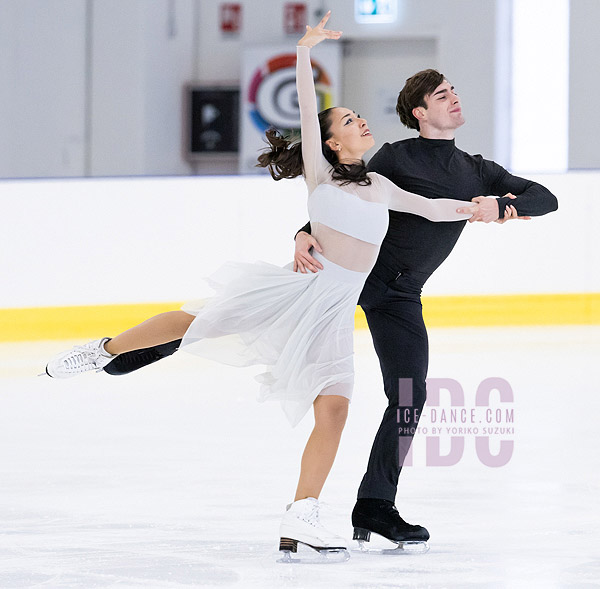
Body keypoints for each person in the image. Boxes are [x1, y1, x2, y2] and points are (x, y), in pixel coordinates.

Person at [44, 13, 475, 556]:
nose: (362, 122)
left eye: (361, 116)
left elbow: (431, 207)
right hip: (298, 296)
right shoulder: (321, 174)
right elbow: (303, 105)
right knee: (196, 321)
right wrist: (303, 49)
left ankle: (303, 516)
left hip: (336, 313)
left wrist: (484, 207)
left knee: (335, 410)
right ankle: (100, 349)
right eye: (350, 119)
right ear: (332, 140)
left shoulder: (381, 184)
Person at [292, 62, 559, 546]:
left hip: (400, 295)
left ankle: (374, 505)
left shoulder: (476, 169)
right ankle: (143, 347)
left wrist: (503, 205)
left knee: (410, 396)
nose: (454, 98)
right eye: (442, 95)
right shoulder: (395, 157)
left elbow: (546, 197)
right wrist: (300, 233)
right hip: (355, 278)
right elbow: (338, 194)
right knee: (261, 332)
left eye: (454, 90)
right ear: (419, 112)